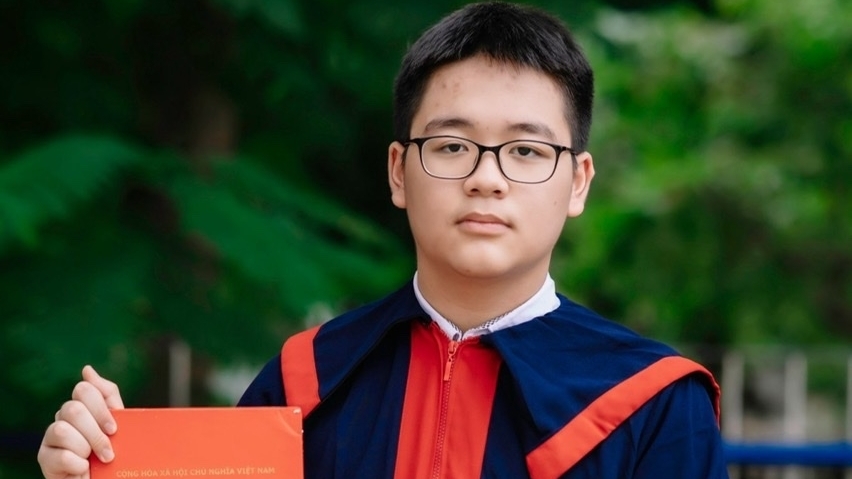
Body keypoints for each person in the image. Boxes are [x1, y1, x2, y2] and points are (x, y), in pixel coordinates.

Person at [38, 2, 728, 478]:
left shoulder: (654, 404)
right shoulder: (307, 381)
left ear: (577, 182)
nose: (486, 179)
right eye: (452, 145)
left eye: (525, 151)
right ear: (399, 171)